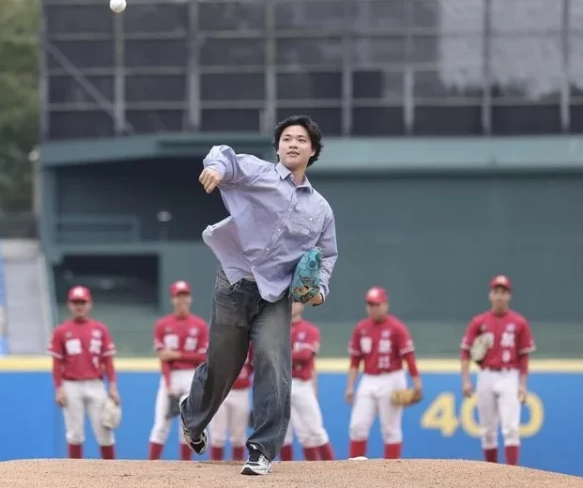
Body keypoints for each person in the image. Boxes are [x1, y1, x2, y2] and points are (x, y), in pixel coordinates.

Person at [179, 115, 338, 476]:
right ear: (278, 147)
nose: (293, 144)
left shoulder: (320, 209)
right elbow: (225, 155)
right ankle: (193, 414)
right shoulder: (258, 173)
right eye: (286, 138)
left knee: (273, 363)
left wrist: (319, 290)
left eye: (301, 139)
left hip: (275, 295)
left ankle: (262, 450)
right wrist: (216, 169)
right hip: (235, 282)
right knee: (224, 365)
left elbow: (327, 254)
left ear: (313, 151)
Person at [460, 274, 535, 466]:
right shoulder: (479, 322)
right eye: (496, 291)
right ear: (490, 295)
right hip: (486, 375)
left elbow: (524, 356)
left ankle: (511, 475)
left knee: (511, 429)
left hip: (509, 376)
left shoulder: (519, 322)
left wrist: (523, 384)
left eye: (503, 292)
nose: (500, 296)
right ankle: (491, 475)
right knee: (487, 431)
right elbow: (465, 351)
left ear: (509, 296)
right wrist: (466, 380)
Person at [346, 286, 422, 460]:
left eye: (377, 304)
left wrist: (417, 382)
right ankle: (354, 470)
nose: (373, 308)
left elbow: (409, 357)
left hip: (392, 378)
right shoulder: (361, 328)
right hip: (368, 378)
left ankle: (391, 471)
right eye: (370, 305)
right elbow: (355, 361)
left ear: (385, 305)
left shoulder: (397, 328)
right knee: (357, 426)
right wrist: (350, 386)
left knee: (390, 429)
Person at [48, 285, 120, 460]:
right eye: (75, 302)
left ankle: (112, 472)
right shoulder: (61, 331)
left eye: (82, 302)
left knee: (105, 430)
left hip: (96, 384)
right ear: (69, 305)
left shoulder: (100, 329)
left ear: (89, 304)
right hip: (71, 384)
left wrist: (113, 386)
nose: (79, 306)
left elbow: (108, 360)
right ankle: (75, 474)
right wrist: (58, 389)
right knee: (75, 433)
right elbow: (57, 363)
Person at [148, 280, 209, 461]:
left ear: (190, 298)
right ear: (172, 299)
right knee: (161, 425)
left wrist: (176, 354)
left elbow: (202, 357)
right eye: (178, 296)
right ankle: (150, 467)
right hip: (171, 375)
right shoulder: (162, 324)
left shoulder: (199, 325)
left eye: (184, 295)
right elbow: (163, 358)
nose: (181, 299)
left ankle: (185, 469)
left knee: (187, 427)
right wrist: (168, 384)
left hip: (192, 376)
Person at [279, 301, 335, 461]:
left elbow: (305, 356)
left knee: (315, 430)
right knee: (284, 434)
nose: (292, 304)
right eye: (289, 300)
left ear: (302, 305)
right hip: (279, 383)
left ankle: (334, 469)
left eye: (296, 301)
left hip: (301, 384)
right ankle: (288, 472)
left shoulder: (310, 330)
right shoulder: (276, 329)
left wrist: (280, 355)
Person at [208, 344, 254, 462]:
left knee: (239, 436)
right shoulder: (219, 339)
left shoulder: (250, 342)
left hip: (241, 391)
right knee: (217, 436)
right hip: (219, 391)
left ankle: (237, 466)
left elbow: (255, 365)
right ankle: (215, 468)